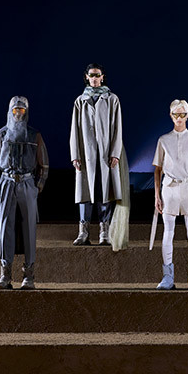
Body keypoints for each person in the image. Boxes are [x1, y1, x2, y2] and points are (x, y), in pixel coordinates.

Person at [0, 96, 49, 290]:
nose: (18, 113)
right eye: (15, 110)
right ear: (10, 111)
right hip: (6, 183)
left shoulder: (34, 135)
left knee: (29, 228)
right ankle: (5, 275)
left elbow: (44, 164)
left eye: (21, 110)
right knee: (5, 227)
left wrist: (38, 186)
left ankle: (28, 275)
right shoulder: (2, 135)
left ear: (26, 112)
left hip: (27, 183)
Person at [70, 64, 130, 249]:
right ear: (86, 77)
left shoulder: (112, 99)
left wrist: (115, 153)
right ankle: (83, 232)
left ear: (103, 77)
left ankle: (105, 232)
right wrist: (75, 155)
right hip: (86, 153)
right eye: (92, 75)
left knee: (105, 191)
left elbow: (118, 128)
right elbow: (75, 130)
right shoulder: (80, 101)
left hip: (105, 154)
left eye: (97, 75)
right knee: (85, 193)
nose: (95, 78)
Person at [151, 99, 188, 290]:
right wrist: (157, 196)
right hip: (170, 188)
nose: (179, 118)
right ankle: (167, 277)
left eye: (182, 114)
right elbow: (157, 170)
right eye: (176, 114)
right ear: (171, 115)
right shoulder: (163, 140)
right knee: (168, 232)